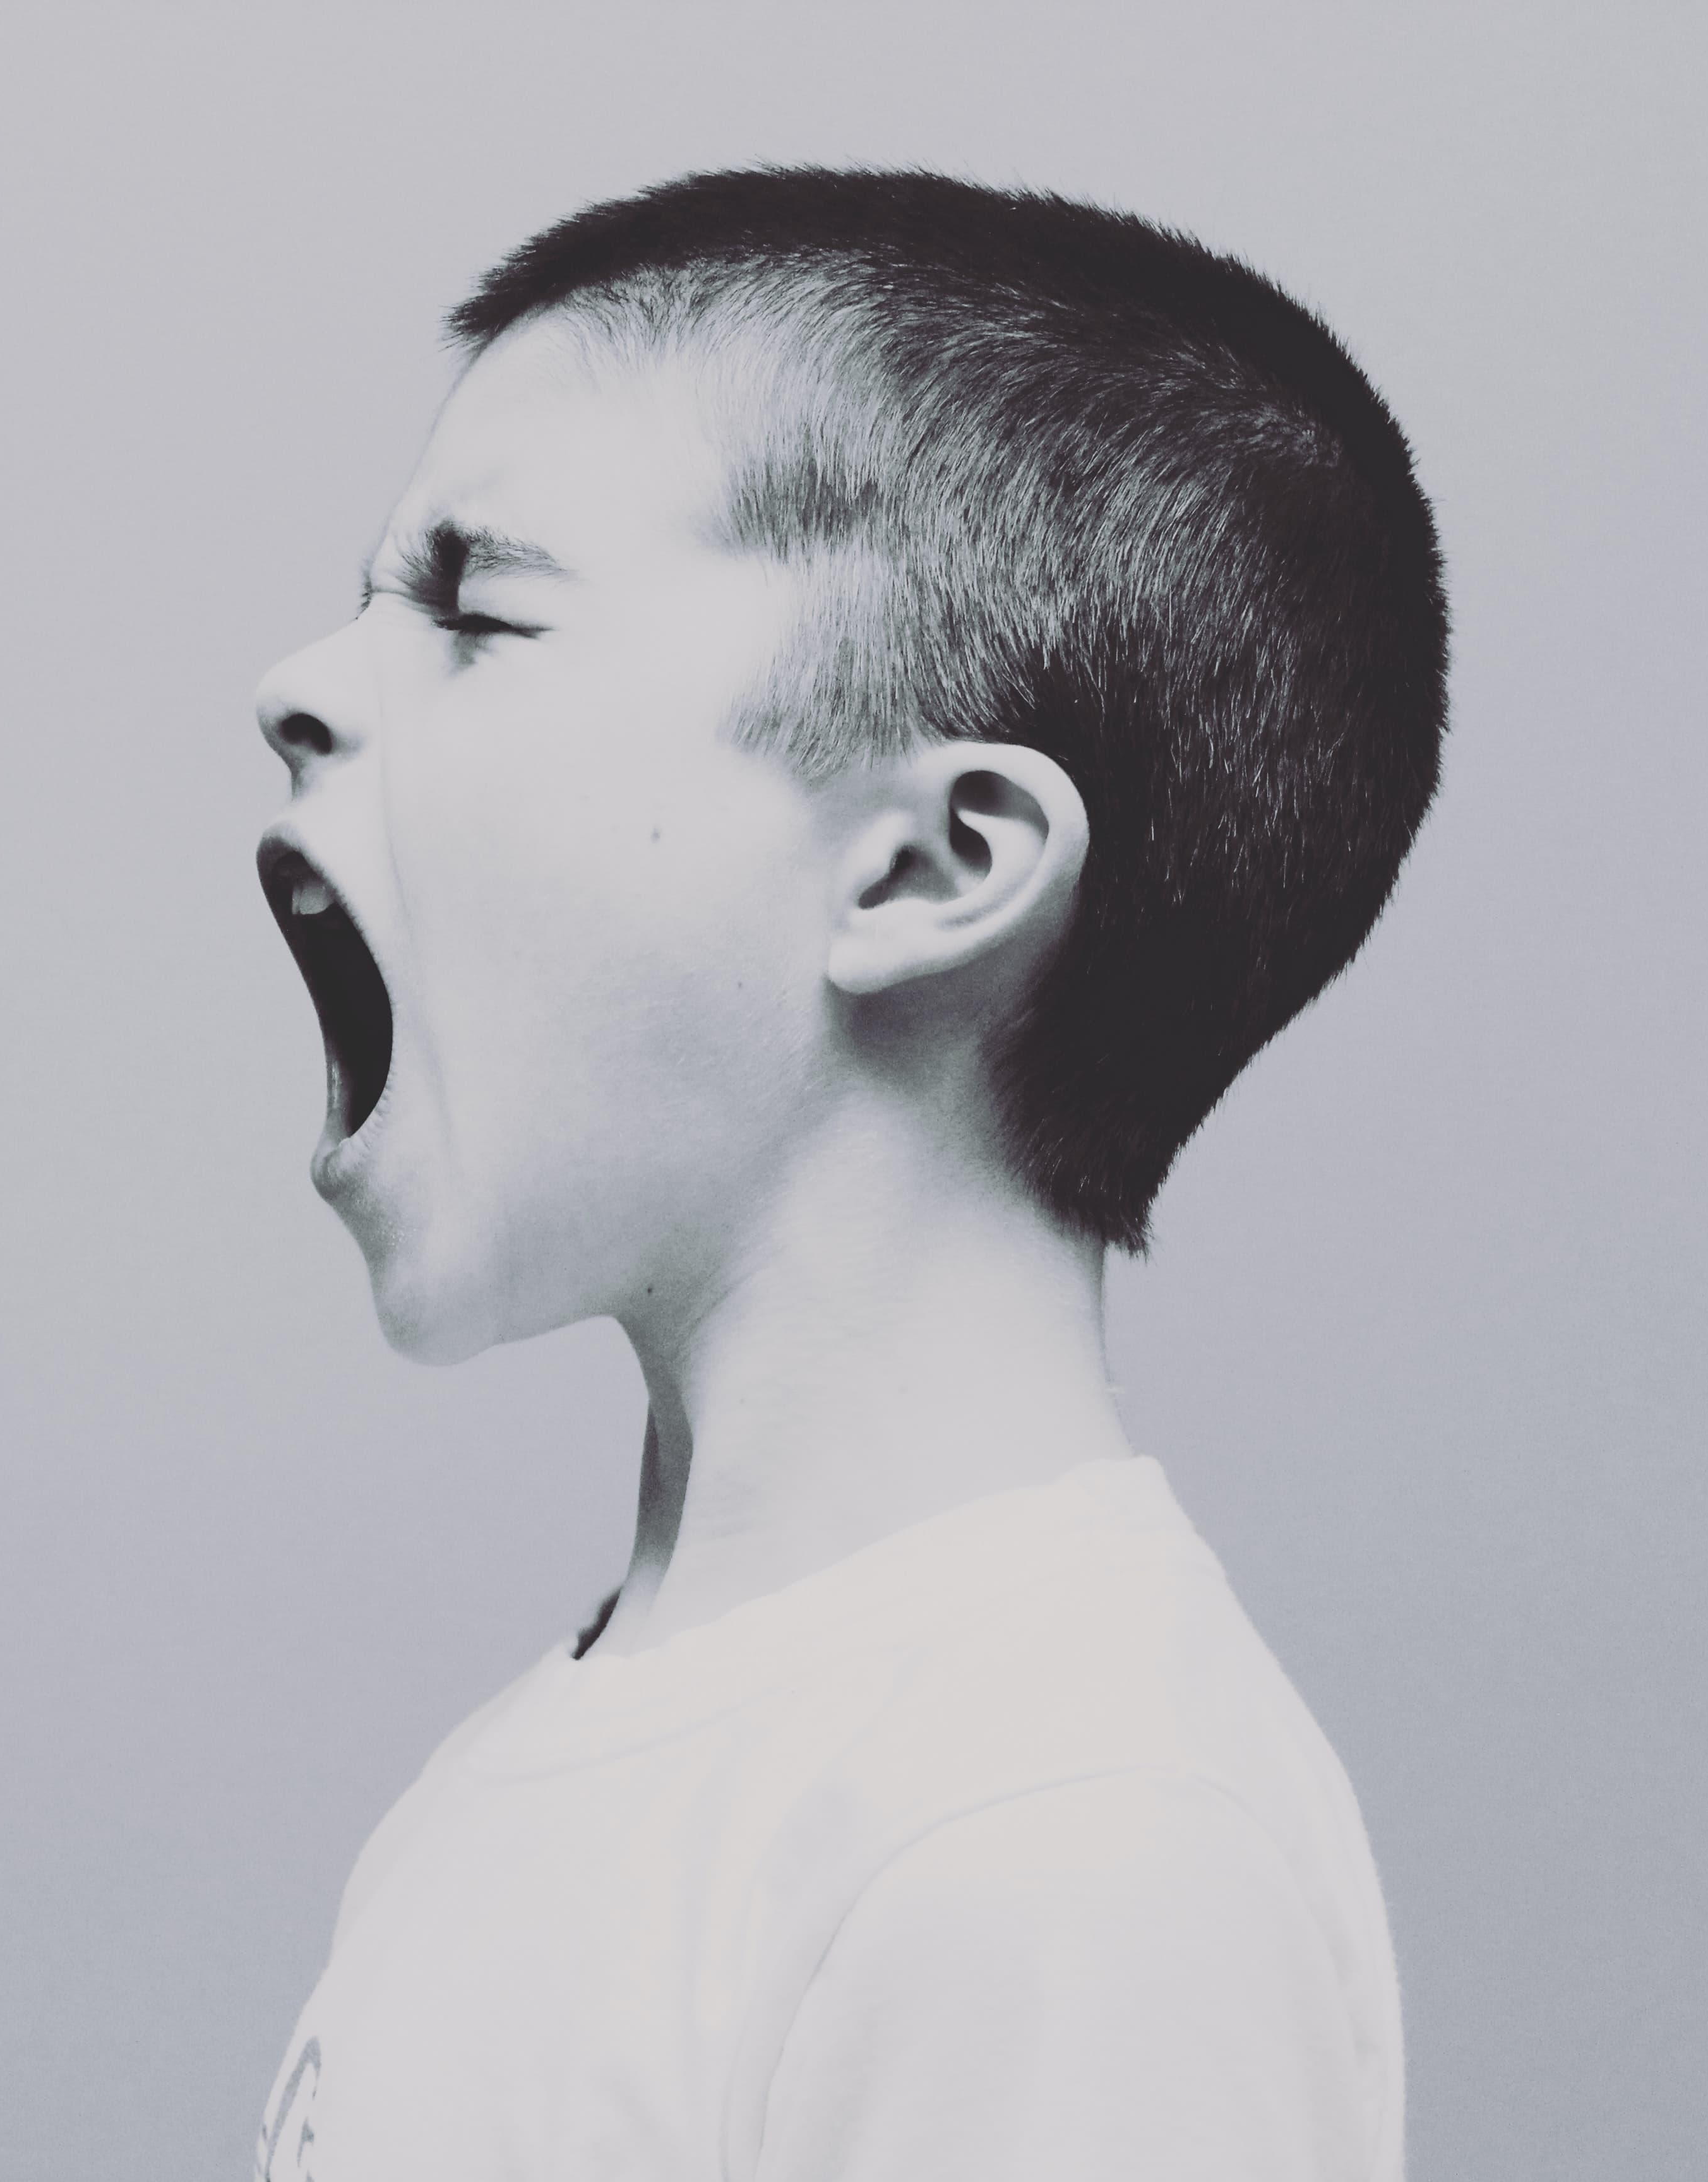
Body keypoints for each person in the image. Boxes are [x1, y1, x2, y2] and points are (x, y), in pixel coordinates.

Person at [250, 168, 1443, 2182]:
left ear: (931, 865)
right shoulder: (561, 1764)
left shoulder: (1062, 1846)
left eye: (478, 608)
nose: (299, 686)